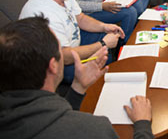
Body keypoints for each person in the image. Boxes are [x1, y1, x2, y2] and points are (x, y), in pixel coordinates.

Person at [0, 17, 153, 139]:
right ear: (53, 66)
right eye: (60, 49)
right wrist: (143, 124)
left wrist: (78, 88)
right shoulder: (93, 130)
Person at [19, 0, 125, 84]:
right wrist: (103, 44)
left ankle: (108, 78)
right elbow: (65, 56)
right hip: (58, 65)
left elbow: (80, 18)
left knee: (106, 36)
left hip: (73, 44)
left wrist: (104, 27)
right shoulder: (43, 14)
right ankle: (96, 90)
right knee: (103, 49)